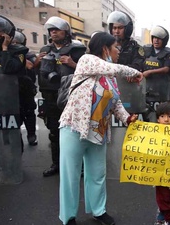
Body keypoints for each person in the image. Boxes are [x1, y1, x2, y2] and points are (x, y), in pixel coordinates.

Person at [58, 32, 143, 225]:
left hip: (98, 131)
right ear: (105, 48)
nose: (118, 52)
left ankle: (99, 210)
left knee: (97, 174)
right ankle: (68, 217)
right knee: (70, 176)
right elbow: (114, 67)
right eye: (115, 48)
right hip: (74, 127)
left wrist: (127, 118)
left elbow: (115, 103)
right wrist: (135, 72)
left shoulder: (110, 77)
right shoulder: (87, 61)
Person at [38, 16, 86, 177]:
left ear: (66, 31)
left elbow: (88, 70)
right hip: (50, 95)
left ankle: (78, 165)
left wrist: (73, 64)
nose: (53, 33)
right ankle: (56, 164)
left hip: (70, 96)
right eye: (51, 30)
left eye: (56, 30)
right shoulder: (46, 49)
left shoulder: (77, 49)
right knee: (54, 132)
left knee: (75, 132)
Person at [0, 14, 28, 152]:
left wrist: (5, 49)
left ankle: (13, 165)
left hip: (12, 102)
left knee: (11, 137)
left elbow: (9, 69)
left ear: (7, 35)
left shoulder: (19, 52)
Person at [142, 25, 170, 121]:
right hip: (145, 93)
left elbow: (167, 69)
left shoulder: (169, 53)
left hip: (162, 94)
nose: (156, 40)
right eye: (154, 38)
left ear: (164, 41)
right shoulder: (145, 50)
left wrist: (150, 72)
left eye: (159, 38)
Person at [13, 30, 38, 146]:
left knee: (29, 113)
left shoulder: (28, 54)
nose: (14, 44)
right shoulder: (7, 54)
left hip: (26, 90)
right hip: (11, 90)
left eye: (16, 42)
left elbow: (32, 64)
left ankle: (31, 134)